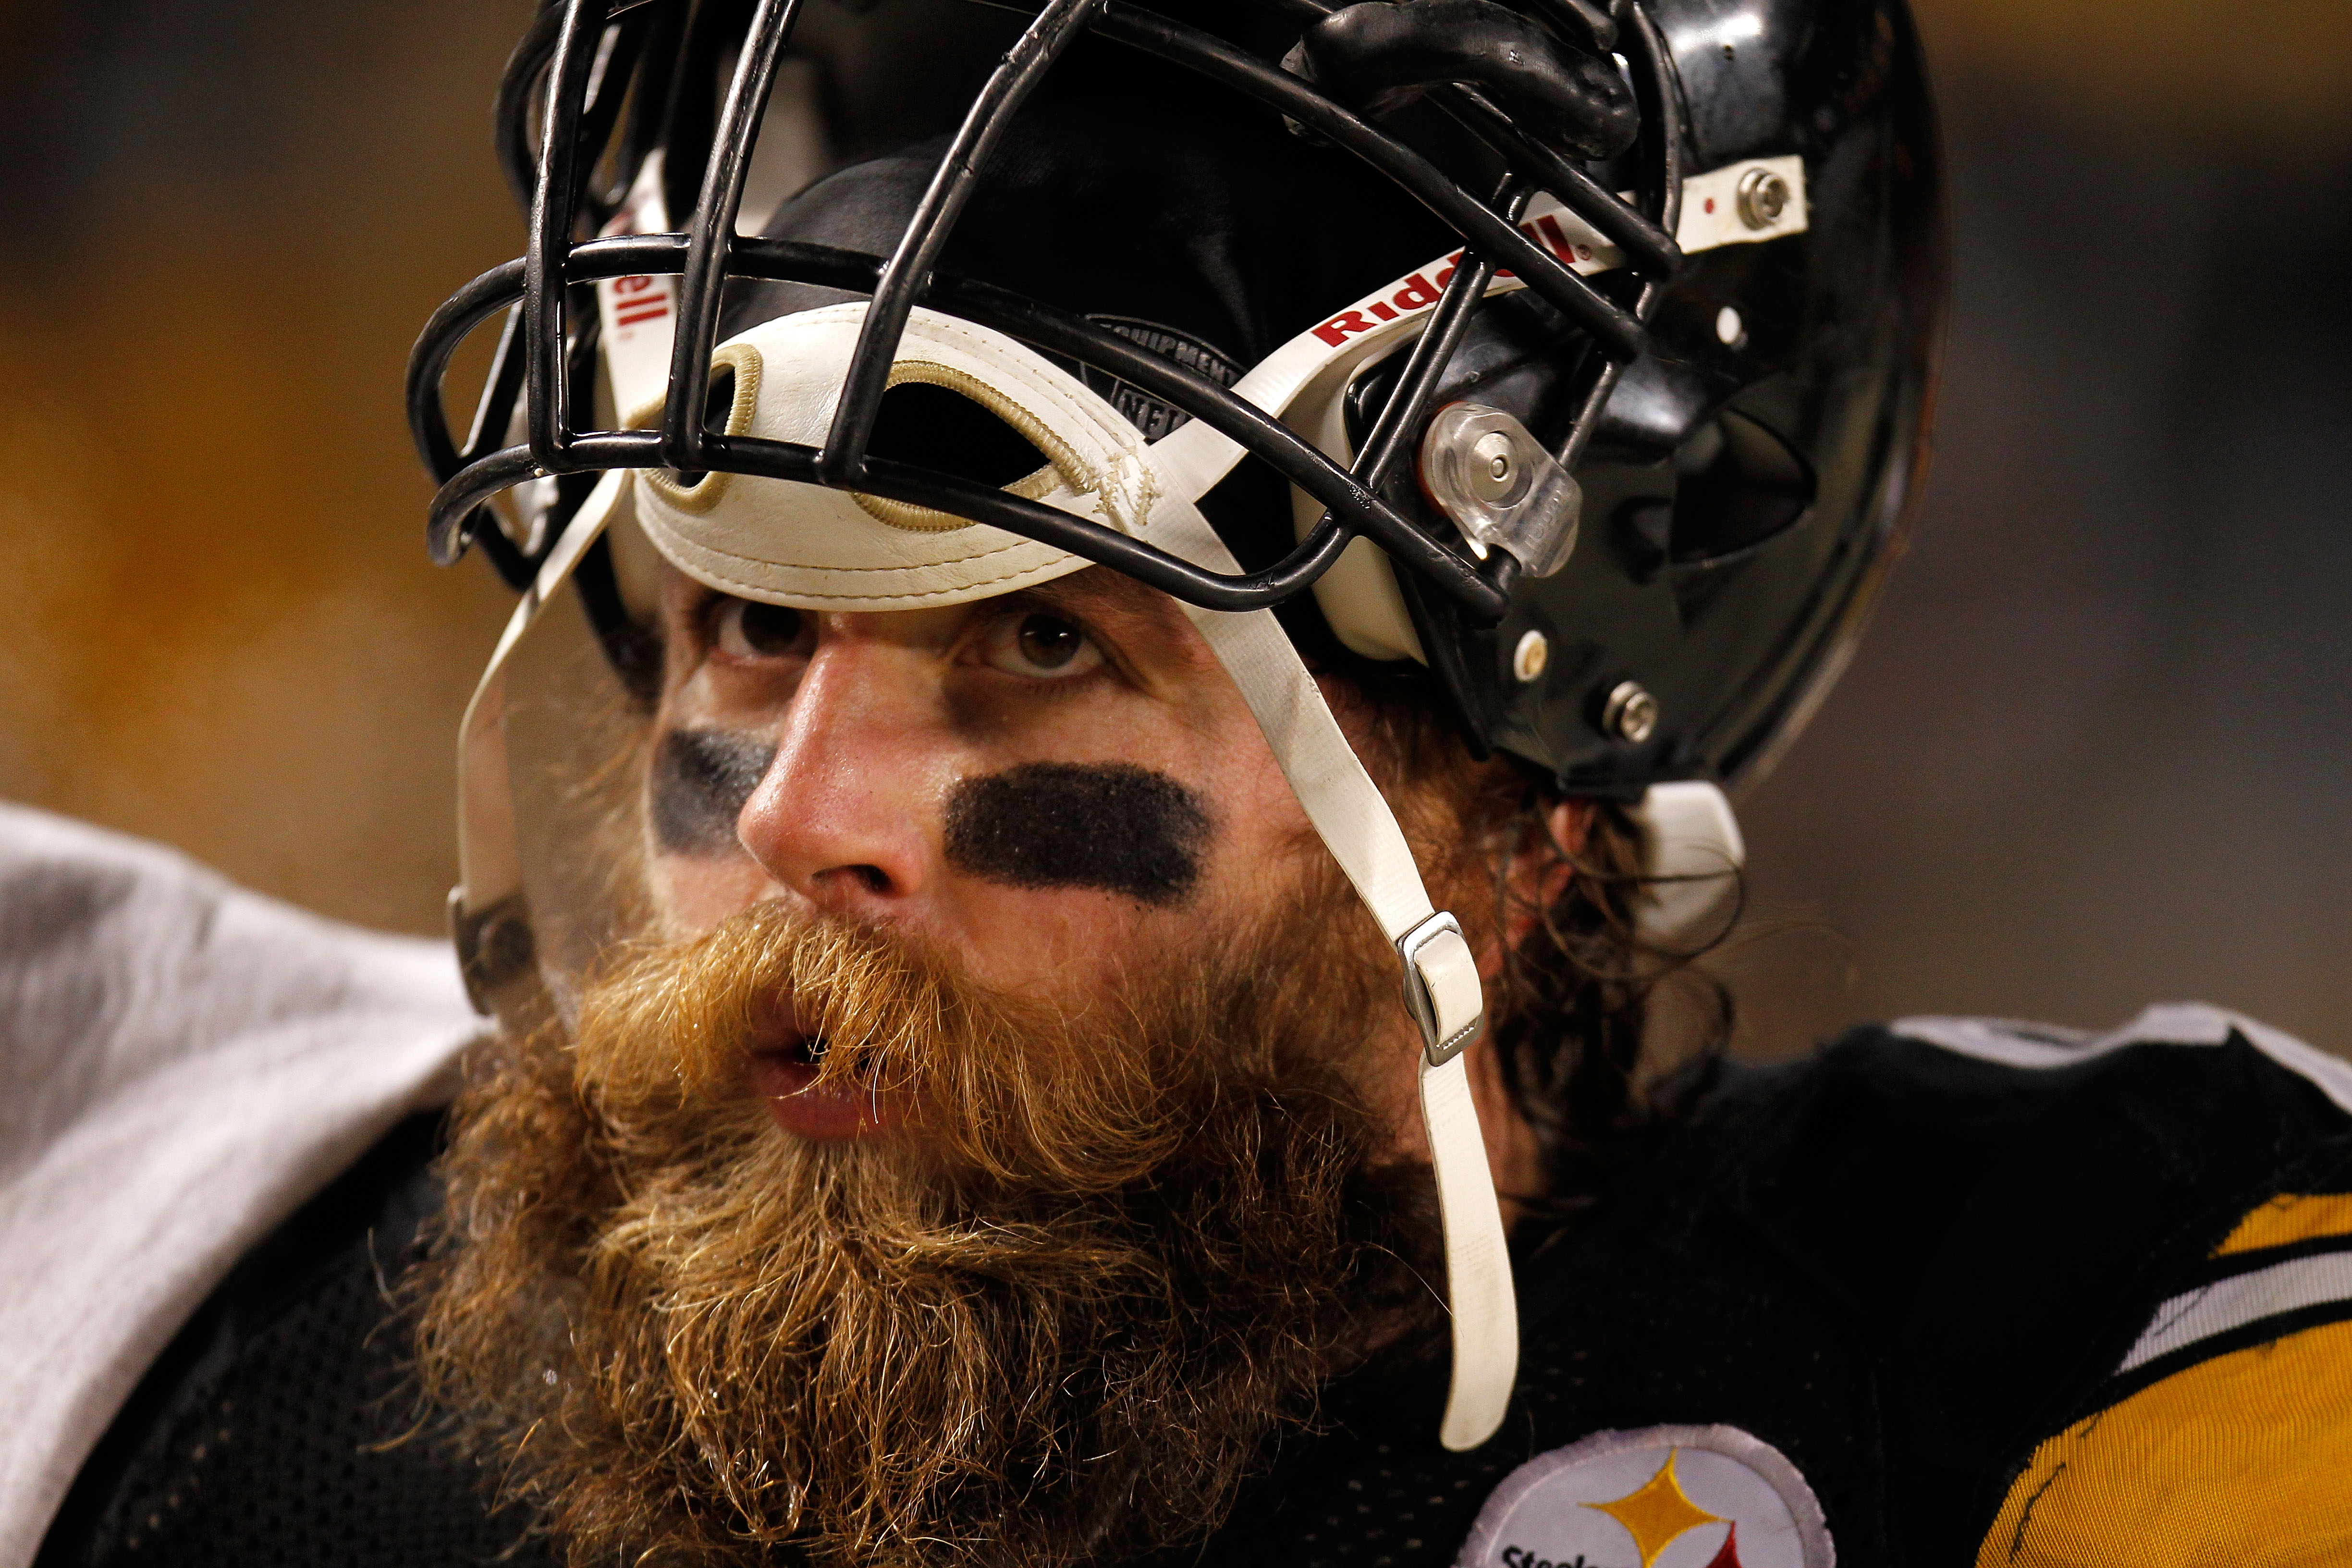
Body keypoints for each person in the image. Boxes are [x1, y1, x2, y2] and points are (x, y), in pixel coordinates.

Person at [10, 0, 2352, 1565]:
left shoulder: (2039, 1366)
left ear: (1509, 814)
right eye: (749, 616)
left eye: (1043, 639)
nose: (813, 810)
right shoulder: (181, 1250)